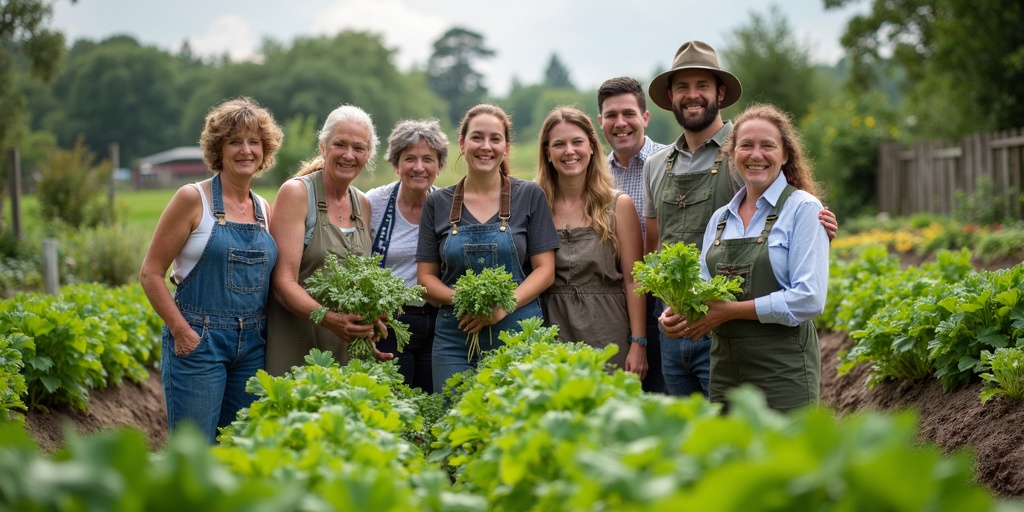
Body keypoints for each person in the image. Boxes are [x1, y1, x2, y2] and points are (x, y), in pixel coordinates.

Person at [643, 41, 837, 398]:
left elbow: (806, 284)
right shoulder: (660, 168)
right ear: (670, 96)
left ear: (721, 92)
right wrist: (673, 307)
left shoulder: (745, 149)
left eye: (702, 85)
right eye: (683, 87)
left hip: (753, 340)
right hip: (700, 326)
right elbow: (656, 245)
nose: (692, 95)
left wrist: (816, 229)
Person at [662, 103, 829, 412]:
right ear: (732, 153)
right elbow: (702, 292)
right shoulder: (720, 220)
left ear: (785, 154)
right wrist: (678, 314)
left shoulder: (803, 209)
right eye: (746, 145)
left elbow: (809, 299)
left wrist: (730, 311)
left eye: (768, 146)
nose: (756, 155)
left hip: (783, 374)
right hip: (726, 375)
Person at [139, 97, 283, 443]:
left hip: (251, 346)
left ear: (265, 150)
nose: (245, 150)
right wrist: (182, 331)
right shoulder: (193, 199)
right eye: (235, 141)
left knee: (238, 450)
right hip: (199, 342)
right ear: (218, 149)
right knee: (195, 454)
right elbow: (150, 273)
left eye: (254, 142)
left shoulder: (264, 208)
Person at [417, 104, 559, 392]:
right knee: (453, 425)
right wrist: (468, 303)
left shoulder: (529, 195)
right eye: (477, 137)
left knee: (515, 424)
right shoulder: (437, 203)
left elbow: (545, 271)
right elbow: (426, 278)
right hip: (454, 339)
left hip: (517, 333)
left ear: (506, 146)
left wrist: (500, 307)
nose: (486, 146)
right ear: (462, 143)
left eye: (495, 139)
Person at [265, 104, 385, 376]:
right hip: (298, 345)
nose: (349, 155)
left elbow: (357, 282)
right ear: (323, 147)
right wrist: (330, 319)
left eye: (359, 148)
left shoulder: (362, 204)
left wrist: (370, 322)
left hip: (346, 349)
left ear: (369, 155)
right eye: (340, 144)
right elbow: (282, 282)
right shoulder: (297, 194)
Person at [534, 107, 647, 377]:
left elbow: (635, 280)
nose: (569, 151)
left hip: (607, 330)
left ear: (593, 147)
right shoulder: (534, 205)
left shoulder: (618, 204)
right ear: (547, 153)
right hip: (550, 331)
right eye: (559, 144)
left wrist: (638, 343)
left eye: (577, 142)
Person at [366, 119, 450, 393]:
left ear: (439, 166)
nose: (419, 167)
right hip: (390, 323)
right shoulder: (374, 203)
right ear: (395, 164)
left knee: (432, 403)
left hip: (438, 323)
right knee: (394, 405)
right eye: (409, 158)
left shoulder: (449, 207)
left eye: (428, 159)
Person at [597, 76, 668, 393]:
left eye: (628, 113)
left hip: (665, 300)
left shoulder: (672, 163)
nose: (620, 123)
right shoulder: (594, 174)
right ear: (600, 122)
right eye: (611, 115)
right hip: (613, 302)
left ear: (645, 117)